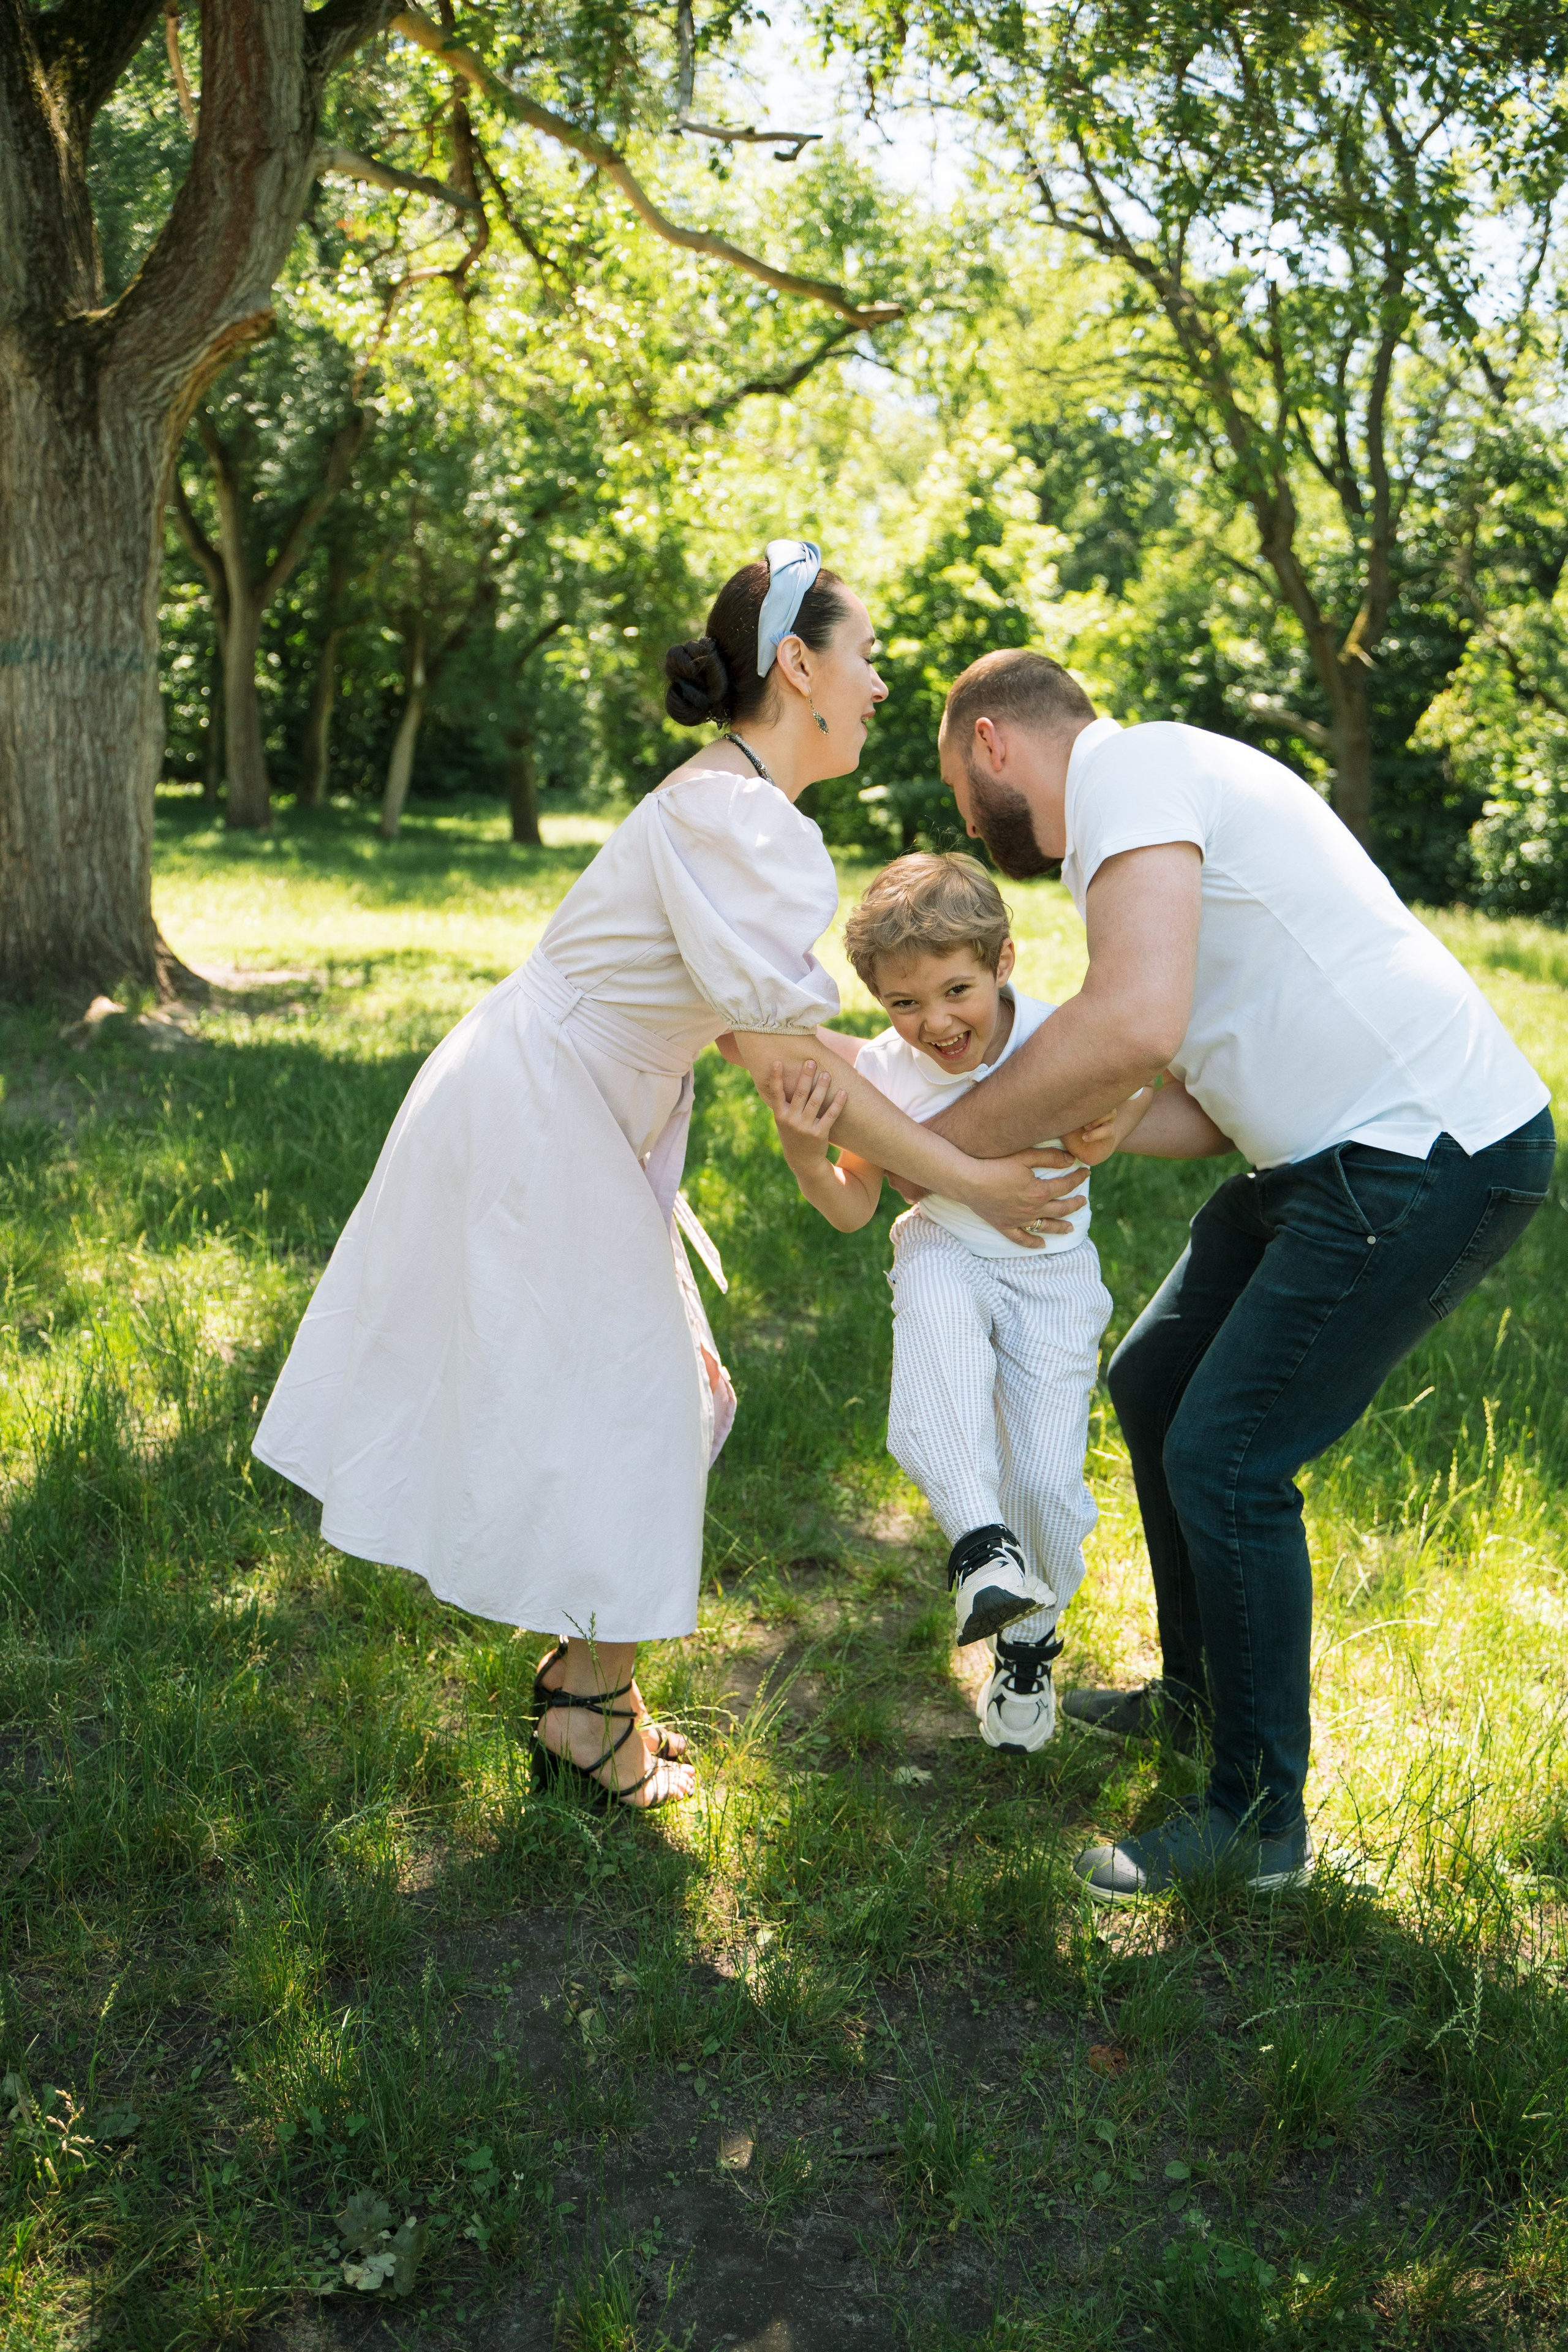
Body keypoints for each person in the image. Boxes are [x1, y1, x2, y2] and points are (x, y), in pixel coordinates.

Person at [252, 547, 1075, 1811]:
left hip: (582, 1107)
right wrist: (965, 1175)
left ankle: (593, 1684)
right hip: (539, 1112)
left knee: (666, 1391)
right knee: (640, 1403)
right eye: (862, 658)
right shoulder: (732, 815)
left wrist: (889, 1131)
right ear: (798, 668)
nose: (877, 682)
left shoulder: (741, 813)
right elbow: (793, 1055)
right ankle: (586, 1714)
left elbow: (784, 1053)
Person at [923, 647, 1554, 1899]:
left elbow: (1131, 1027)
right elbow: (1196, 1100)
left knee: (1227, 1453)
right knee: (1159, 1383)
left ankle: (1257, 1819)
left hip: (1418, 1156)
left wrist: (933, 1147)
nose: (962, 818)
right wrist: (1087, 1121)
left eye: (952, 786)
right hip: (1325, 1161)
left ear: (989, 743)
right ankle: (1195, 1697)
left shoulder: (1132, 771)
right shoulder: (1154, 817)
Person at [762, 851, 1120, 1752]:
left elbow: (1142, 1076)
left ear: (1003, 963)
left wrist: (1118, 1119)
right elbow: (852, 1208)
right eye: (903, 1004)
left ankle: (1027, 1637)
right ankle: (977, 1546)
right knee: (926, 1288)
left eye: (956, 990)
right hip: (948, 1246)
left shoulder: (1060, 1038)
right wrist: (809, 1154)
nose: (934, 1023)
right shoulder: (885, 1071)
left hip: (1053, 1276)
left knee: (1045, 1480)